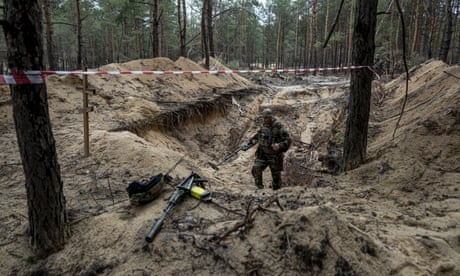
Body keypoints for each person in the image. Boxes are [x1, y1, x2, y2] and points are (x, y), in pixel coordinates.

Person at [248, 108, 291, 190]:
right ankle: (260, 188)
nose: (264, 119)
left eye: (266, 118)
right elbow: (261, 134)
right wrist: (254, 136)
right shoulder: (264, 125)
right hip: (263, 154)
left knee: (276, 179)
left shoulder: (278, 127)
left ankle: (276, 192)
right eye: (263, 118)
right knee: (255, 169)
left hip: (275, 156)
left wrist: (279, 145)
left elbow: (288, 140)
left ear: (271, 117)